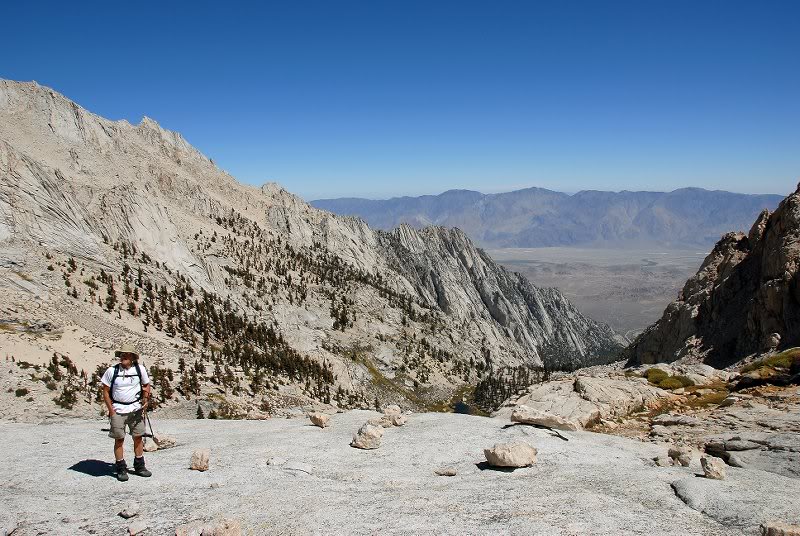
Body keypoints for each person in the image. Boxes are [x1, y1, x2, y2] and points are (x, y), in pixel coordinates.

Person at [101, 343, 153, 481]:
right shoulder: (112, 371)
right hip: (118, 409)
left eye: (127, 355)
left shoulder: (139, 369)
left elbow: (146, 385)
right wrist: (111, 411)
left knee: (138, 437)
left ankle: (139, 465)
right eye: (122, 355)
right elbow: (105, 392)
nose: (123, 357)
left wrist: (145, 399)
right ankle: (121, 468)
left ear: (132, 357)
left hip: (135, 409)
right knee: (119, 439)